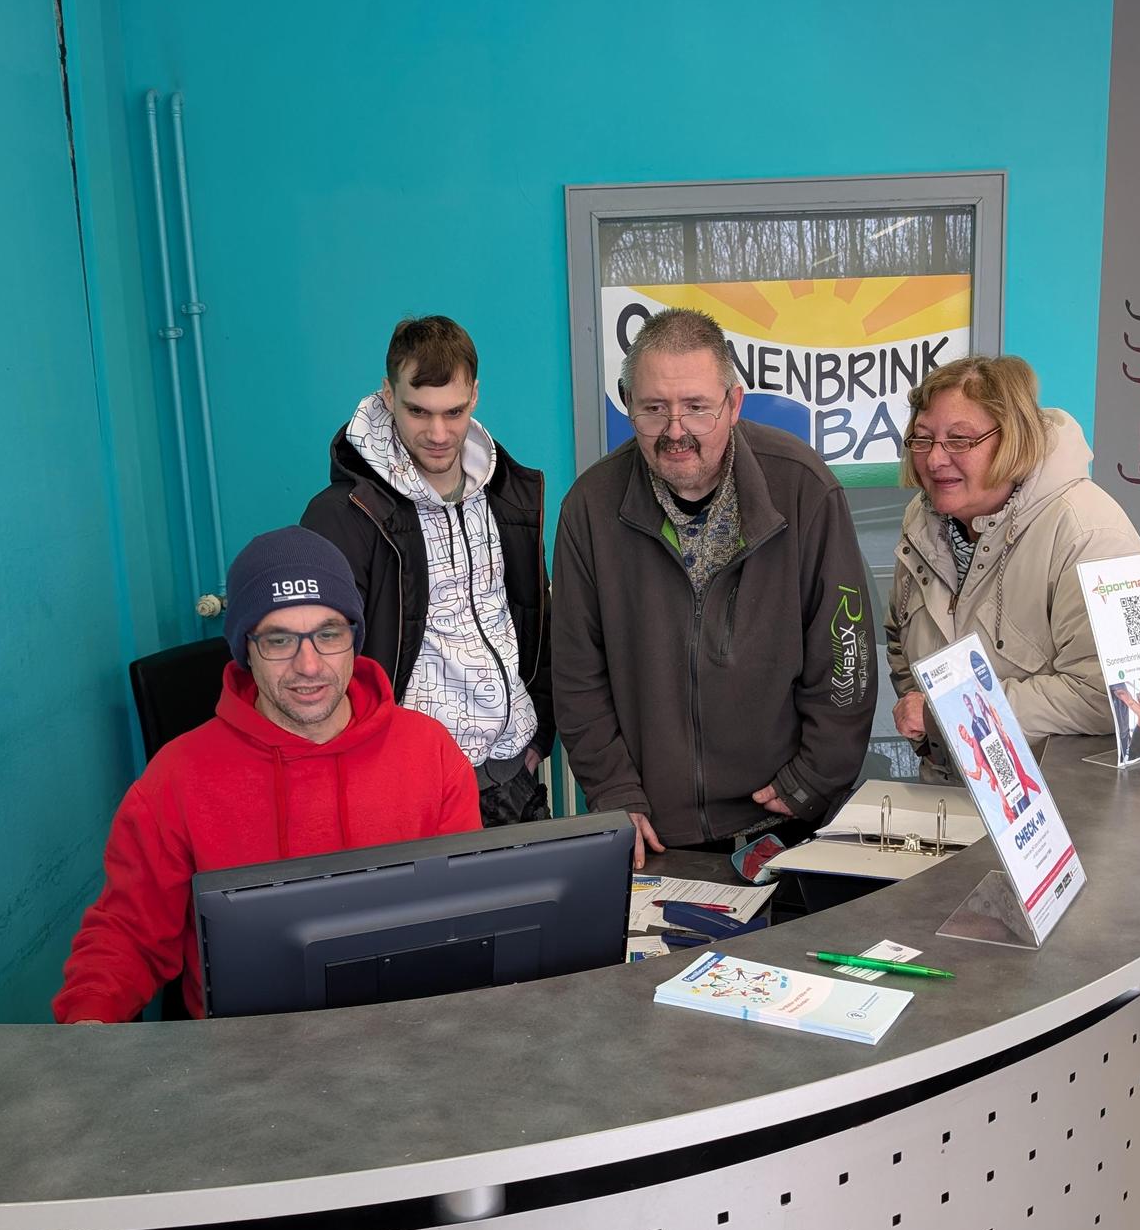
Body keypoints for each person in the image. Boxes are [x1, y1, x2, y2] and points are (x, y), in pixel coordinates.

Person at [53, 527, 479, 1024]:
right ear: (245, 650)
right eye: (279, 639)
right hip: (242, 1062)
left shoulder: (430, 752)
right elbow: (127, 934)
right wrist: (89, 1020)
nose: (309, 665)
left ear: (353, 639)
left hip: (406, 1036)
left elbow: (464, 915)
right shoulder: (175, 777)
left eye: (328, 634)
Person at [552, 307, 877, 868]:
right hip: (652, 836)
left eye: (697, 407)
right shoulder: (590, 507)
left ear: (733, 403)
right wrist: (613, 794)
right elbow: (577, 674)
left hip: (786, 825)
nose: (675, 430)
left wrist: (814, 779)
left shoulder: (802, 489)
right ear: (629, 406)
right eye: (654, 408)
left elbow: (845, 652)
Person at [301, 316, 552, 827]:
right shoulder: (343, 513)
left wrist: (541, 725)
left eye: (454, 412)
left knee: (535, 911)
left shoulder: (509, 491)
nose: (438, 433)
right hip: (411, 786)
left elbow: (535, 615)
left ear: (475, 397)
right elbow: (323, 657)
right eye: (418, 411)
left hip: (514, 771)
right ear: (389, 397)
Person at [886, 354, 1140, 773]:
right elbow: (898, 635)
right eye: (923, 439)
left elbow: (1110, 695)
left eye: (959, 440)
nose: (934, 460)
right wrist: (932, 732)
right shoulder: (922, 518)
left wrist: (949, 711)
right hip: (951, 793)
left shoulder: (1088, 532)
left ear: (1013, 439)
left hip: (1060, 808)